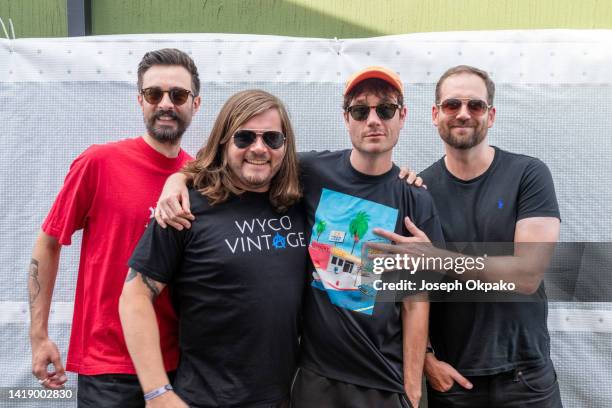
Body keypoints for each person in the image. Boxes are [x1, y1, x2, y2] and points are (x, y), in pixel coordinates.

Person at [156, 67, 444, 408]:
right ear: (346, 117)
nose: (373, 120)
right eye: (360, 110)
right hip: (313, 378)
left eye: (385, 109)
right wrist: (175, 181)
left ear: (403, 116)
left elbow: (416, 302)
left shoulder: (415, 198)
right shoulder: (311, 171)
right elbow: (238, 160)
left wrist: (411, 388)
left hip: (382, 380)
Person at [28, 48, 201, 407]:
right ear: (140, 101)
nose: (166, 103)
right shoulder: (99, 163)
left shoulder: (200, 176)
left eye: (178, 95)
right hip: (107, 367)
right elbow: (48, 243)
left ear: (195, 104)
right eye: (154, 94)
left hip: (176, 365)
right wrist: (38, 335)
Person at [119, 89, 307, 408]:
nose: (259, 149)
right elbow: (134, 296)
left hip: (284, 400)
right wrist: (157, 393)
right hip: (205, 400)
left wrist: (408, 188)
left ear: (285, 146)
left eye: (272, 139)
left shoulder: (301, 202)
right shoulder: (184, 209)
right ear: (223, 141)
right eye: (244, 138)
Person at [389, 65, 562, 407]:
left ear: (491, 115)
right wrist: (426, 360)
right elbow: (402, 292)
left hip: (525, 379)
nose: (463, 114)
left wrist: (437, 258)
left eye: (476, 106)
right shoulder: (417, 191)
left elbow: (527, 274)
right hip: (454, 383)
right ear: (436, 115)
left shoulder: (528, 175)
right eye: (452, 105)